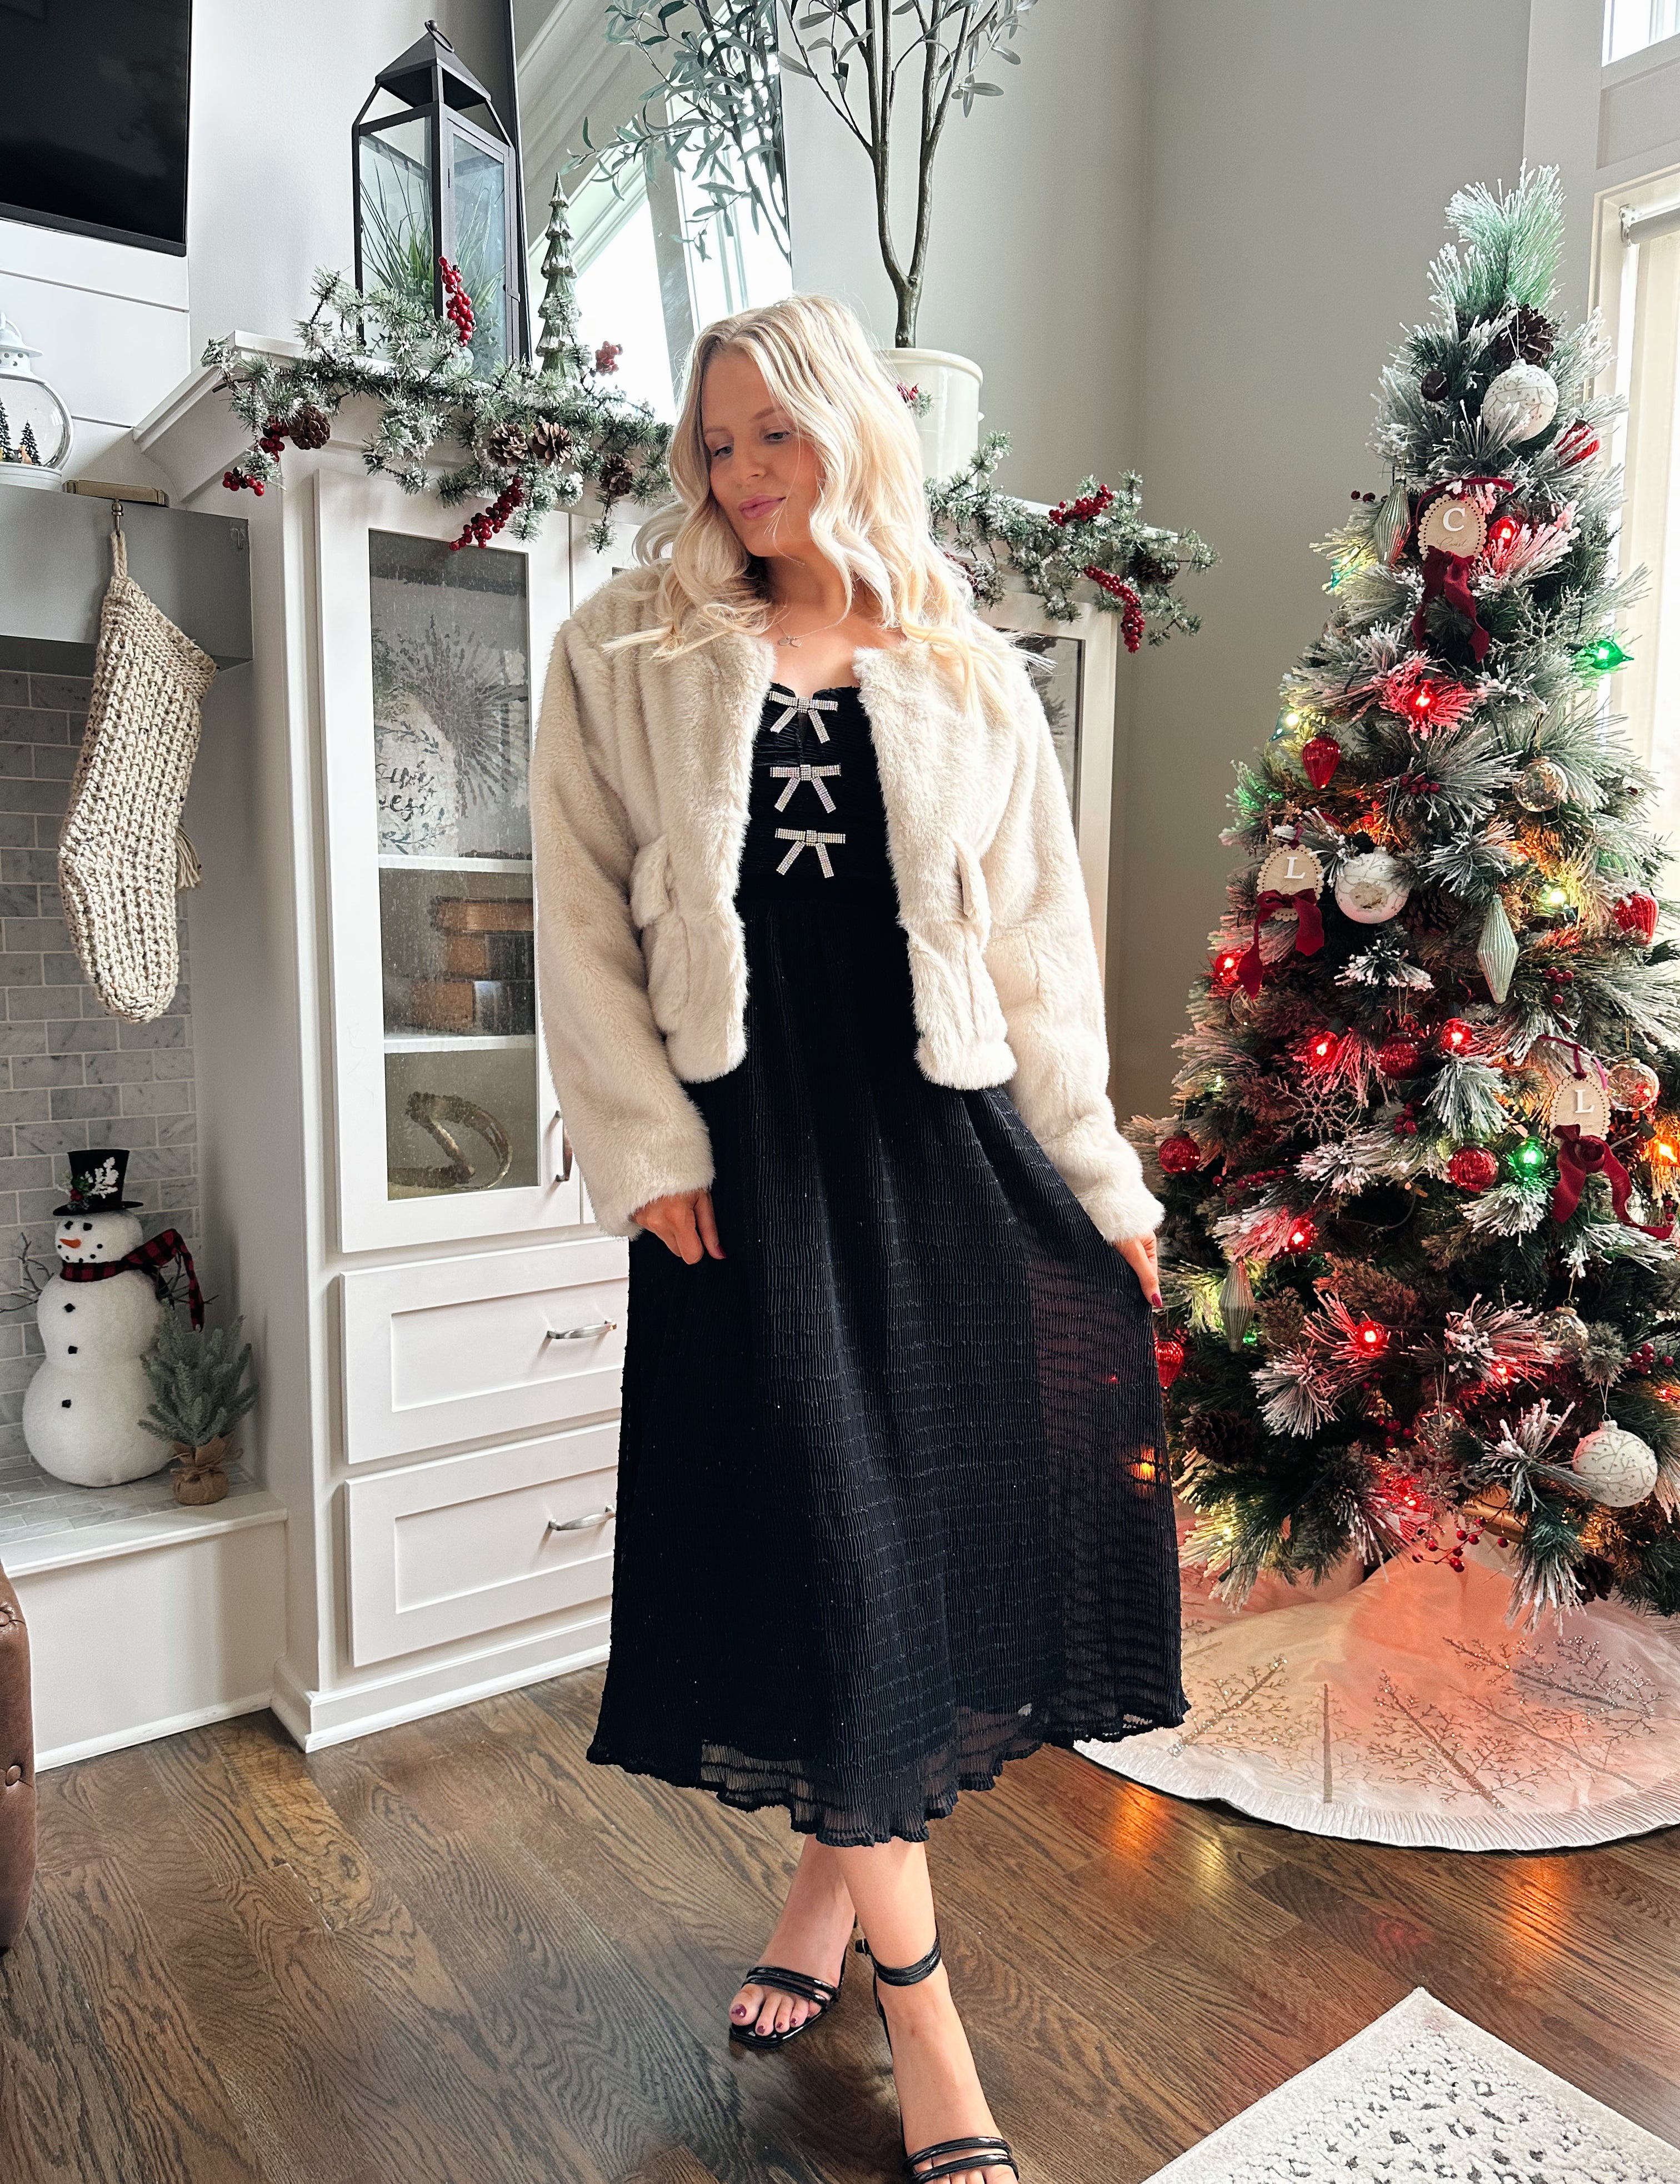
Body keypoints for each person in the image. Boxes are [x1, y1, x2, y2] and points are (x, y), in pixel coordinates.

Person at [530, 292, 1186, 2184]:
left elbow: (1043, 962)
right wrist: (640, 1141)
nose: (738, 477)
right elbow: (574, 914)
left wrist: (1105, 1195)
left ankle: (828, 1889)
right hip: (745, 1172)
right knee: (826, 1547)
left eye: (772, 436)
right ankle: (932, 2028)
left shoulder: (971, 672)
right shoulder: (625, 647)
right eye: (713, 445)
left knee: (910, 1552)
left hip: (936, 1150)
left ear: (849, 437)